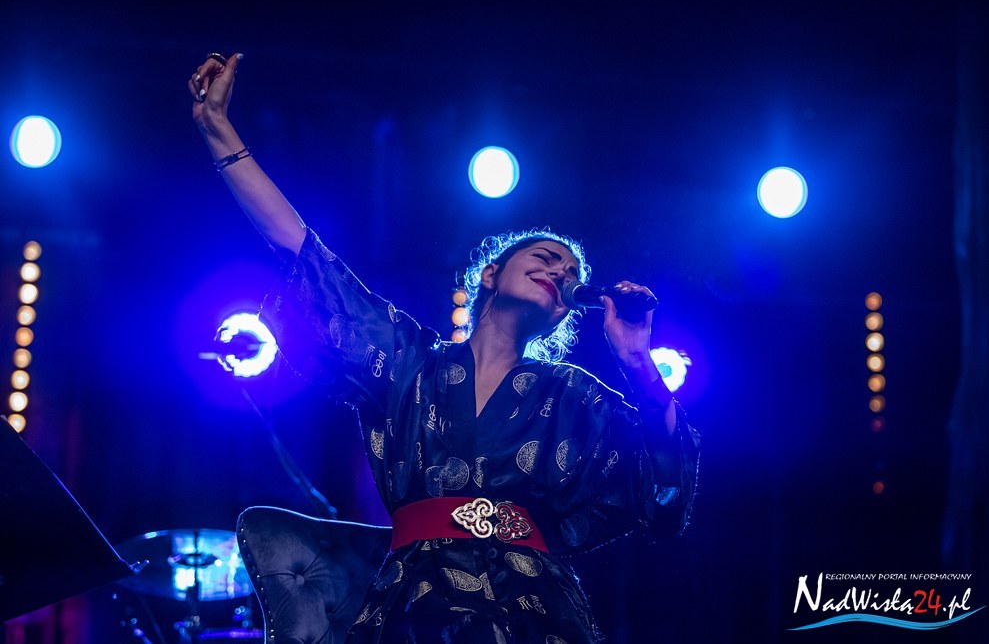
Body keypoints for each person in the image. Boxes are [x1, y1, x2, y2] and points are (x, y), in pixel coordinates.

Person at [189, 52, 699, 643]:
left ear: (565, 310)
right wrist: (218, 130)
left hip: (535, 612)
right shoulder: (410, 363)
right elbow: (301, 249)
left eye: (570, 276)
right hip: (417, 606)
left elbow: (662, 491)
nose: (559, 272)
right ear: (491, 275)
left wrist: (637, 360)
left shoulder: (572, 395)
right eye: (545, 257)